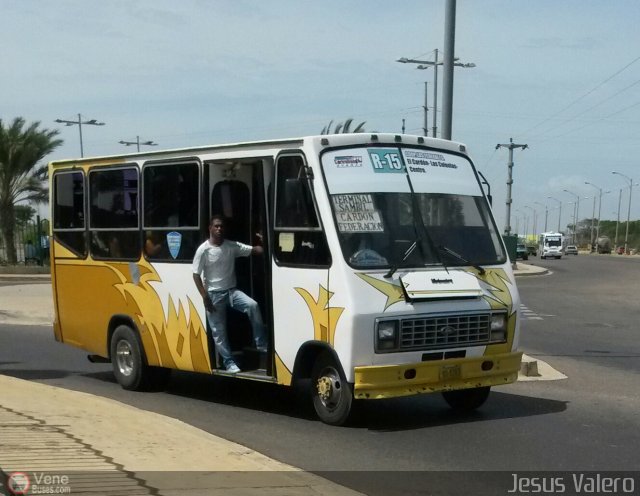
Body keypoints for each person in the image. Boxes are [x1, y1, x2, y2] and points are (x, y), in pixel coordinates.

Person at [192, 215, 267, 373]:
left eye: (221, 227)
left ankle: (261, 344)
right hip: (213, 296)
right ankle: (228, 362)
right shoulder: (203, 250)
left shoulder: (231, 246)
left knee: (252, 305)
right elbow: (196, 275)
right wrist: (205, 297)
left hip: (232, 293)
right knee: (219, 332)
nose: (219, 229)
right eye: (216, 226)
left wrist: (264, 239)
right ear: (210, 228)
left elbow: (255, 250)